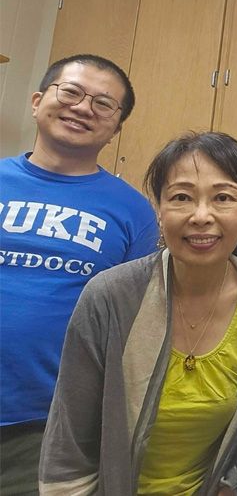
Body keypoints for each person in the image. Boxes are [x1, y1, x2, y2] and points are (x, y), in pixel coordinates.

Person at [38, 132, 237, 495]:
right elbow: (70, 442)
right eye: (181, 198)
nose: (201, 216)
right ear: (159, 211)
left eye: (223, 198)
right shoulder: (110, 296)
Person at [0, 54, 158, 494]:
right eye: (70, 92)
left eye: (103, 104)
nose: (83, 107)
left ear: (116, 127)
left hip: (47, 428)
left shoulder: (134, 212)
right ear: (37, 101)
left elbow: (130, 326)